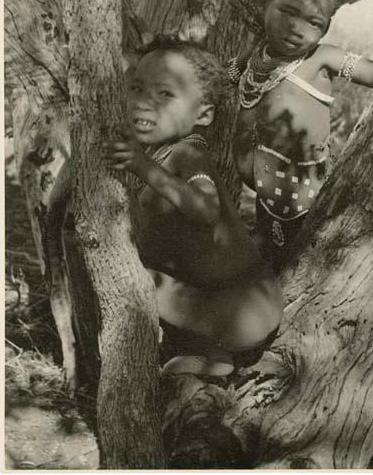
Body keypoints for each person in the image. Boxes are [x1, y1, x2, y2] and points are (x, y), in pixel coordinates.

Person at [105, 38, 283, 377]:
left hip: (241, 308)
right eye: (137, 89)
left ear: (203, 113)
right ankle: (213, 358)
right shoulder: (165, 153)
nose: (144, 103)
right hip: (237, 309)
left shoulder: (188, 153)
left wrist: (142, 167)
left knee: (135, 277)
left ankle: (209, 351)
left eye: (165, 95)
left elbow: (206, 210)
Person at [232, 0, 373, 267]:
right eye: (287, 11)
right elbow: (222, 76)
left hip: (305, 191)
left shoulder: (323, 59)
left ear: (327, 26)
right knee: (267, 248)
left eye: (313, 22)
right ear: (267, 4)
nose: (296, 27)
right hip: (264, 187)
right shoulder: (254, 55)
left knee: (298, 253)